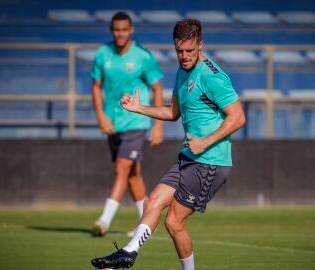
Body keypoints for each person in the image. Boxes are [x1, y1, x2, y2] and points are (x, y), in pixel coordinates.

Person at [91, 18, 245, 270]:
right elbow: (173, 112)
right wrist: (138, 108)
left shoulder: (212, 76)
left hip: (210, 161)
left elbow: (238, 116)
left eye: (189, 51)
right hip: (189, 157)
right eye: (179, 51)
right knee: (152, 202)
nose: (184, 56)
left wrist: (204, 141)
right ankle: (128, 254)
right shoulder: (182, 71)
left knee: (173, 222)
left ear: (201, 45)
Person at [91, 11, 164, 236]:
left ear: (131, 30)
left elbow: (157, 88)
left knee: (122, 167)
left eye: (124, 29)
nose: (120, 34)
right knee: (132, 174)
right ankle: (147, 223)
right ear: (111, 31)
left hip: (136, 120)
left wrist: (158, 124)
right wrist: (101, 116)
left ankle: (104, 221)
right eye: (116, 30)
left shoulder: (142, 56)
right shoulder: (103, 54)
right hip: (113, 123)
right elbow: (96, 86)